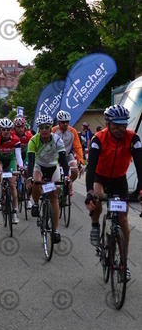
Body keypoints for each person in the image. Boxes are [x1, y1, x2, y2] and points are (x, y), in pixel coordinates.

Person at [84, 105, 142, 279]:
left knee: (123, 219)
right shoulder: (98, 139)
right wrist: (89, 192)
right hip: (100, 177)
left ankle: (123, 263)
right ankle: (95, 225)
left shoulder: (133, 138)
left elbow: (140, 167)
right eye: (116, 125)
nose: (120, 129)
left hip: (119, 180)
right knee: (98, 196)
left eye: (124, 124)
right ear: (107, 123)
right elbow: (91, 168)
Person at [26, 114, 70, 244]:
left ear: (51, 128)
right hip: (39, 166)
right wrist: (30, 177)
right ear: (38, 129)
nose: (44, 130)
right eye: (41, 127)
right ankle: (35, 203)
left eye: (46, 127)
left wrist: (66, 176)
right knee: (36, 182)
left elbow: (63, 159)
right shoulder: (33, 141)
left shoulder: (57, 140)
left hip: (53, 167)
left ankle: (55, 230)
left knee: (54, 195)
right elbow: (31, 161)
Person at [0, 118, 24, 224]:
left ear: (11, 130)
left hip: (10, 160)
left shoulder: (15, 139)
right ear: (0, 130)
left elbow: (18, 155)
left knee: (12, 184)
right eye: (3, 129)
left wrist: (21, 167)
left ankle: (14, 212)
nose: (6, 131)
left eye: (8, 129)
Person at [52, 110, 84, 194]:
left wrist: (80, 162)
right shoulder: (53, 131)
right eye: (63, 122)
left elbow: (78, 147)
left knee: (74, 171)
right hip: (55, 156)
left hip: (67, 154)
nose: (65, 124)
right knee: (54, 172)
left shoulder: (73, 132)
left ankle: (68, 184)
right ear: (58, 122)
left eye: (67, 122)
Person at [12, 115, 34, 208]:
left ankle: (28, 198)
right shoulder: (12, 135)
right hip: (15, 154)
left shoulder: (29, 136)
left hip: (25, 154)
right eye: (18, 127)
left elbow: (32, 150)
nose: (20, 129)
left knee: (30, 175)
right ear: (15, 127)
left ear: (25, 126)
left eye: (22, 127)